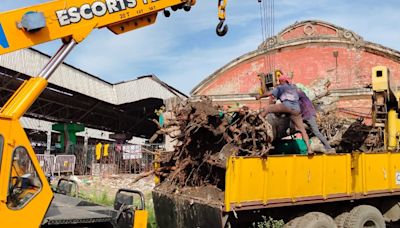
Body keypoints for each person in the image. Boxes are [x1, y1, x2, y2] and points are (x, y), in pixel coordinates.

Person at [255, 75, 313, 155]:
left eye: (280, 81)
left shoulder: (281, 87)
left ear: (283, 81)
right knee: (303, 130)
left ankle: (257, 122)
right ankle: (309, 150)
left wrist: (259, 96)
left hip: (286, 107)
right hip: (296, 110)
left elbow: (269, 93)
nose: (279, 82)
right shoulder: (294, 87)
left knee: (267, 109)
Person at [297, 88, 336, 153]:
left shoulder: (301, 94)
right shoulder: (299, 98)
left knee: (316, 132)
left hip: (309, 116)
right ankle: (307, 148)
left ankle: (328, 147)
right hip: (304, 116)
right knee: (302, 131)